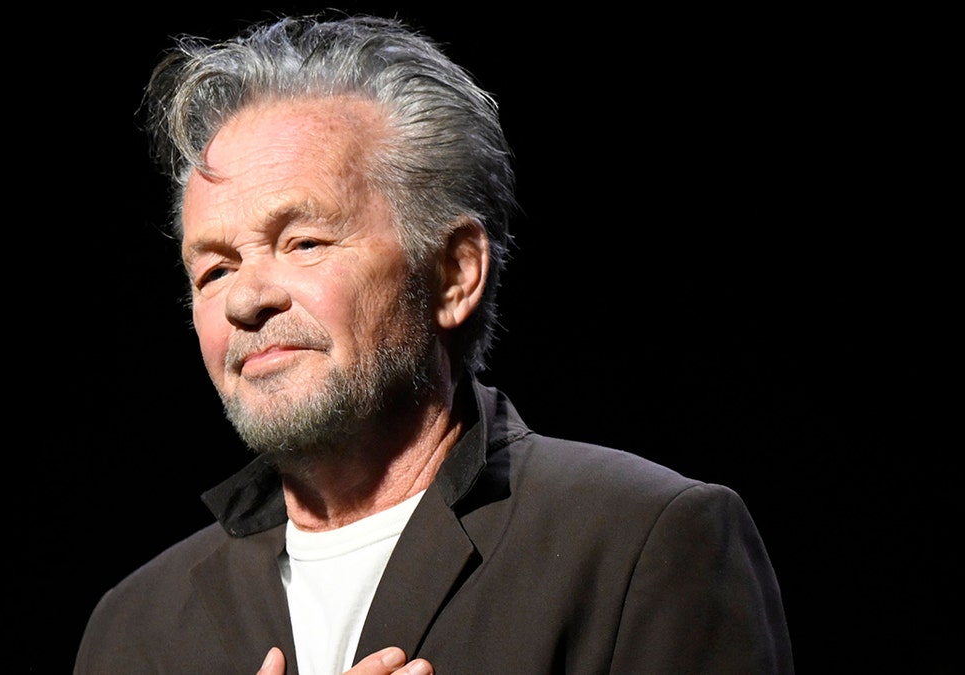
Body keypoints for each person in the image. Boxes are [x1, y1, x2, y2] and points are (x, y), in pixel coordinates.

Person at [73, 12, 793, 675]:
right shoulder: (133, 630)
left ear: (453, 274)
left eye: (303, 241)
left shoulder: (642, 545)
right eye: (215, 267)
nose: (245, 297)